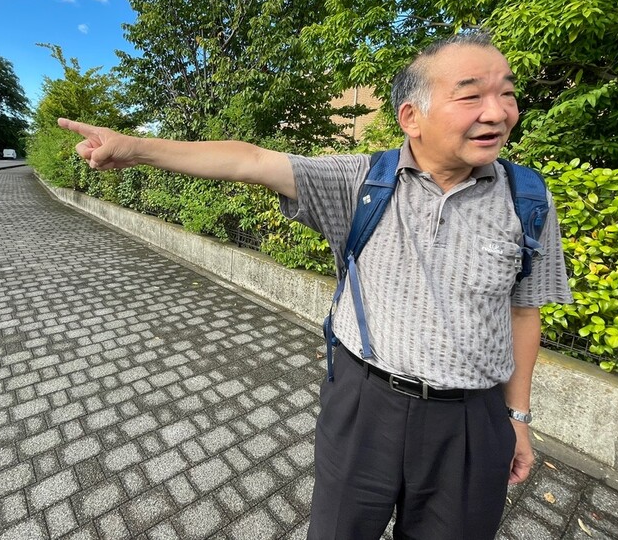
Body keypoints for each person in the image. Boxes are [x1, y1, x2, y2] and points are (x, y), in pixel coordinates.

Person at [58, 31, 572, 540]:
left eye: (506, 92)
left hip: (471, 419)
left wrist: (517, 417)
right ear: (411, 118)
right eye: (471, 95)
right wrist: (137, 148)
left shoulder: (528, 200)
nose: (497, 111)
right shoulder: (361, 183)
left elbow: (524, 312)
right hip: (365, 403)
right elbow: (250, 159)